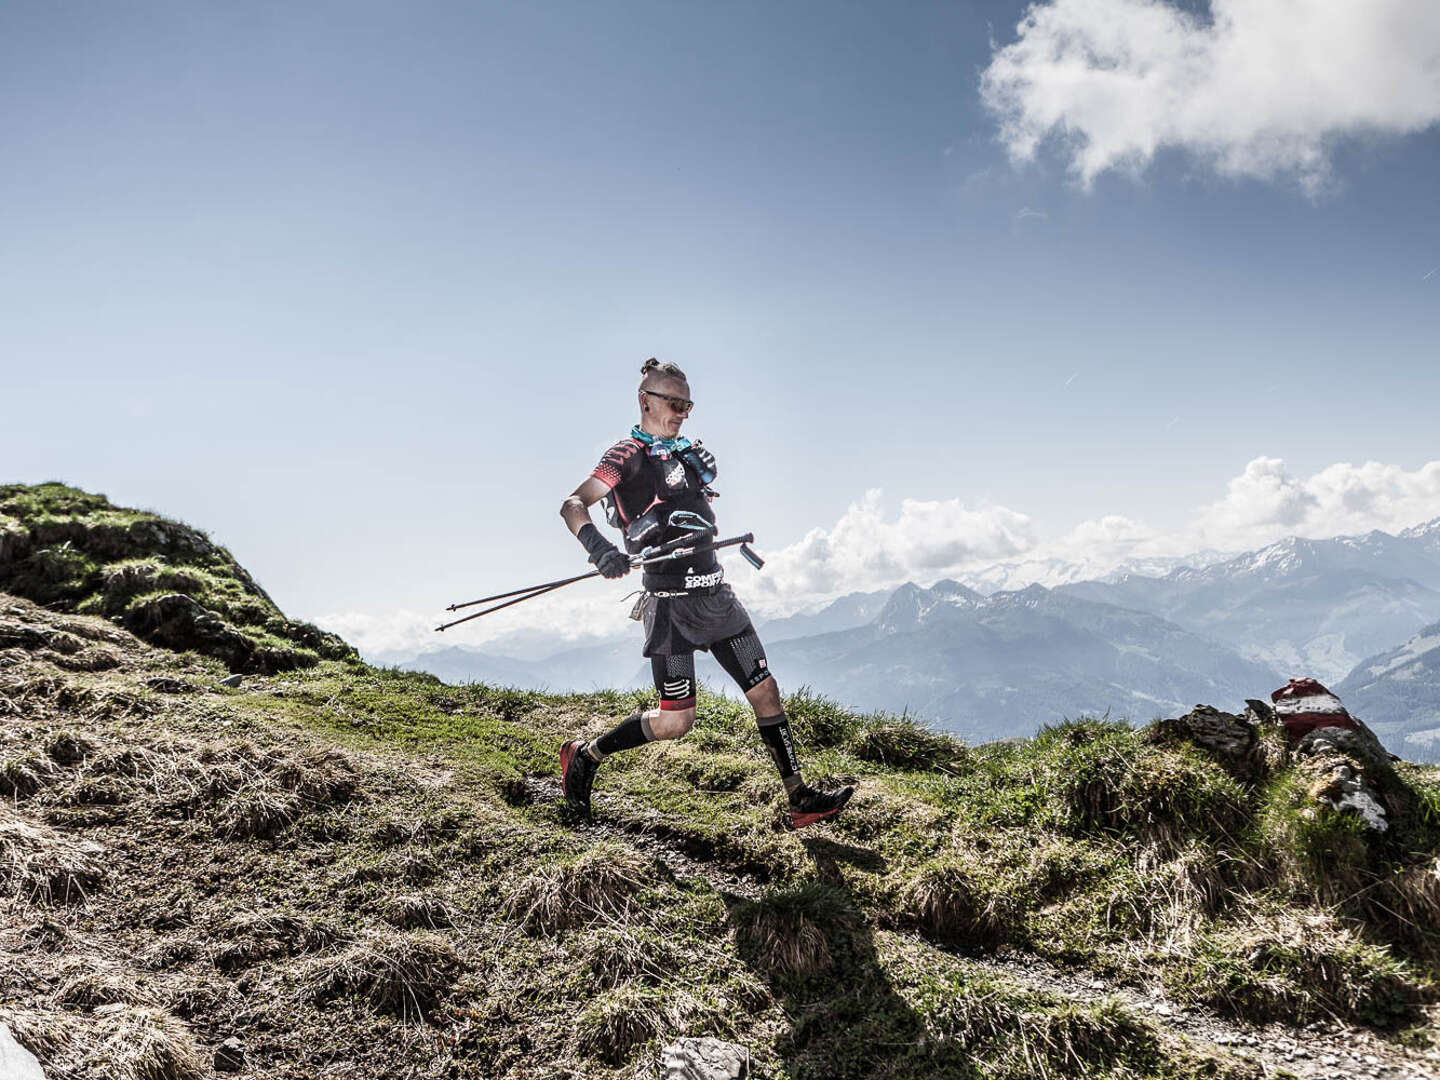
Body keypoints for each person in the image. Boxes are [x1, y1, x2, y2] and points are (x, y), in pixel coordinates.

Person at [557, 358, 853, 829]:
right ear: (645, 400)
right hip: (670, 607)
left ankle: (800, 799)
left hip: (717, 598)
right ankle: (586, 756)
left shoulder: (687, 453)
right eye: (673, 402)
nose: (682, 412)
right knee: (676, 721)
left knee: (767, 691)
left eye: (688, 404)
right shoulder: (625, 455)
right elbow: (574, 504)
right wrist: (598, 548)